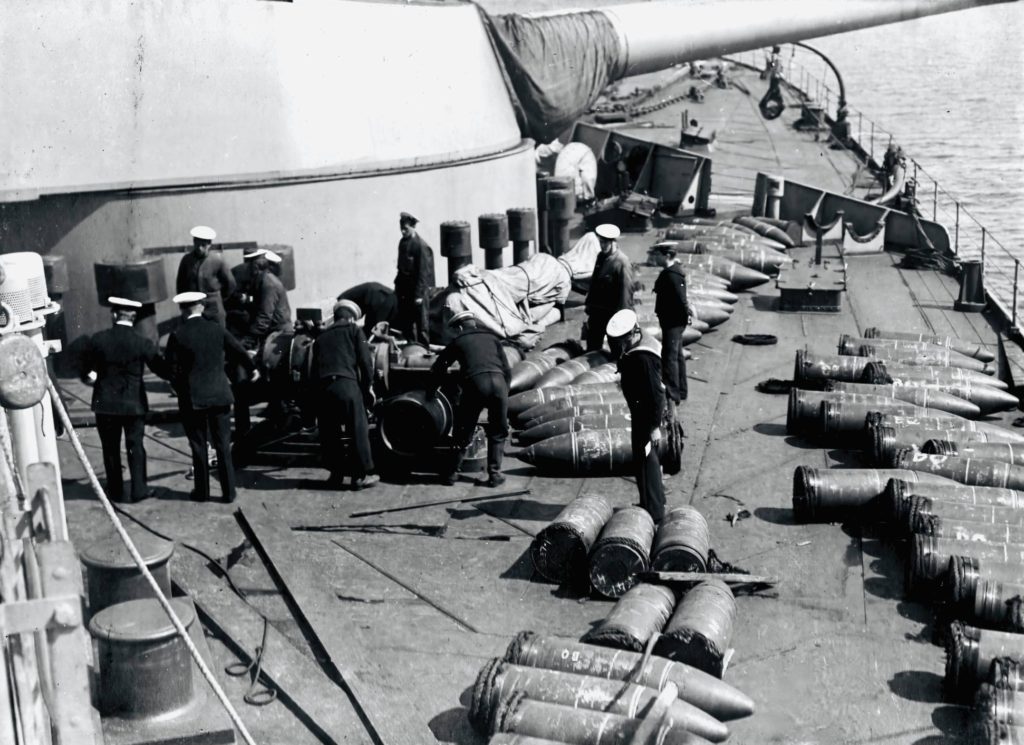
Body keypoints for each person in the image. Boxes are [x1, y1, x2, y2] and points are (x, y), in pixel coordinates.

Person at [165, 291, 258, 502]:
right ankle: (229, 492)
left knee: (198, 446)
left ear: (183, 309)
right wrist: (252, 368)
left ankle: (202, 492)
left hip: (193, 398)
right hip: (220, 395)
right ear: (200, 307)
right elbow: (239, 351)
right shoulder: (217, 329)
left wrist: (181, 387)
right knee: (223, 444)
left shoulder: (177, 335)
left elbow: (171, 371)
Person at [79, 297, 169, 503]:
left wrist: (92, 376)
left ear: (114, 315)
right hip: (133, 404)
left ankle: (115, 491)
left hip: (106, 405)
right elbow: (162, 369)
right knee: (135, 446)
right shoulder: (142, 343)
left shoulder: (98, 339)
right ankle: (139, 490)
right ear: (134, 317)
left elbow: (85, 370)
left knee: (110, 448)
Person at [431, 311, 510, 488]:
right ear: (474, 323)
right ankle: (495, 474)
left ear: (459, 327)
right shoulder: (492, 338)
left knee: (464, 430)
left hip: (475, 385)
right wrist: (505, 391)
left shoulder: (458, 341)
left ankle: (451, 474)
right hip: (499, 384)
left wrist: (437, 388)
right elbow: (507, 369)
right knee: (498, 430)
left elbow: (438, 367)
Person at [310, 299, 377, 490]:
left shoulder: (321, 337)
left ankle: (336, 475)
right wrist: (368, 387)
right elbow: (366, 361)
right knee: (357, 429)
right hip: (346, 385)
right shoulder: (356, 331)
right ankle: (359, 477)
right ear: (351, 318)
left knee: (330, 432)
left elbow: (313, 370)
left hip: (325, 389)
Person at [607, 309, 666, 522]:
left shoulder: (642, 358)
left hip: (646, 418)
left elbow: (656, 392)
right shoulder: (642, 343)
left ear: (630, 335)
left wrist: (654, 426)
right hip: (641, 414)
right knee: (642, 459)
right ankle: (648, 503)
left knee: (647, 460)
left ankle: (655, 512)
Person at [584, 223, 634, 352]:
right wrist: (589, 304)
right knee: (592, 348)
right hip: (597, 313)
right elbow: (594, 282)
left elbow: (626, 292)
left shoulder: (622, 262)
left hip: (613, 314)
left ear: (613, 242)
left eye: (605, 243)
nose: (602, 246)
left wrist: (623, 319)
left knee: (618, 350)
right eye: (600, 242)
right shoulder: (601, 257)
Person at [175, 225, 236, 326]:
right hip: (193, 308)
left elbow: (230, 284)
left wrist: (219, 299)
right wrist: (184, 306)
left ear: (209, 244)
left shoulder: (217, 260)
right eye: (197, 245)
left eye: (203, 245)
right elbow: (180, 284)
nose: (199, 248)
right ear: (194, 242)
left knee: (217, 335)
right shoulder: (186, 260)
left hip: (213, 308)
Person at [653, 246, 689, 405]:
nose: (655, 258)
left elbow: (682, 300)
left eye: (657, 255)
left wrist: (684, 318)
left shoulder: (672, 275)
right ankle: (681, 390)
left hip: (672, 322)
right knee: (678, 356)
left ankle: (673, 394)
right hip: (673, 321)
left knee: (670, 357)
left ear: (666, 255)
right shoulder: (673, 272)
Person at [394, 212, 435, 345]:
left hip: (418, 292)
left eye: (405, 228)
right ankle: (411, 348)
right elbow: (401, 269)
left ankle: (424, 351)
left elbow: (424, 274)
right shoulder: (403, 243)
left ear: (413, 226)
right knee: (407, 323)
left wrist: (419, 295)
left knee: (421, 324)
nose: (402, 230)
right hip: (405, 292)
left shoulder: (421, 246)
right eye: (401, 227)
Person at [241, 247, 292, 352]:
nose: (247, 269)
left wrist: (248, 340)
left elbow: (264, 316)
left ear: (256, 266)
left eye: (249, 265)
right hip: (274, 333)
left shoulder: (268, 284)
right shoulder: (262, 280)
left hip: (278, 337)